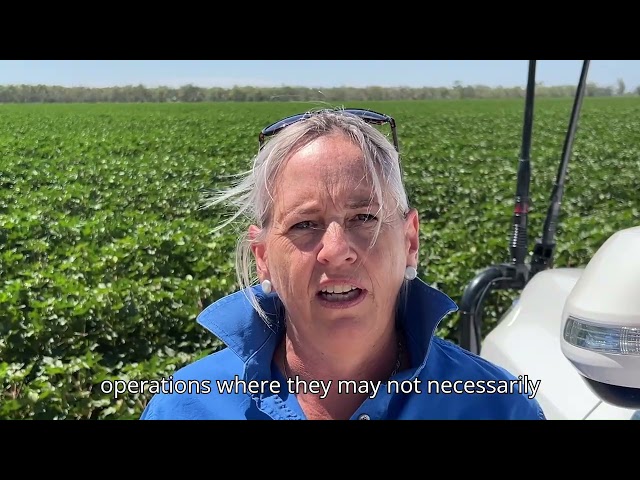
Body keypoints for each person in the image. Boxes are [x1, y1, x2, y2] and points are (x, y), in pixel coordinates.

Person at [140, 107, 546, 420]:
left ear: (410, 240)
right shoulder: (186, 406)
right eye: (304, 224)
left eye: (364, 218)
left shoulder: (498, 406)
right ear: (262, 257)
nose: (336, 250)